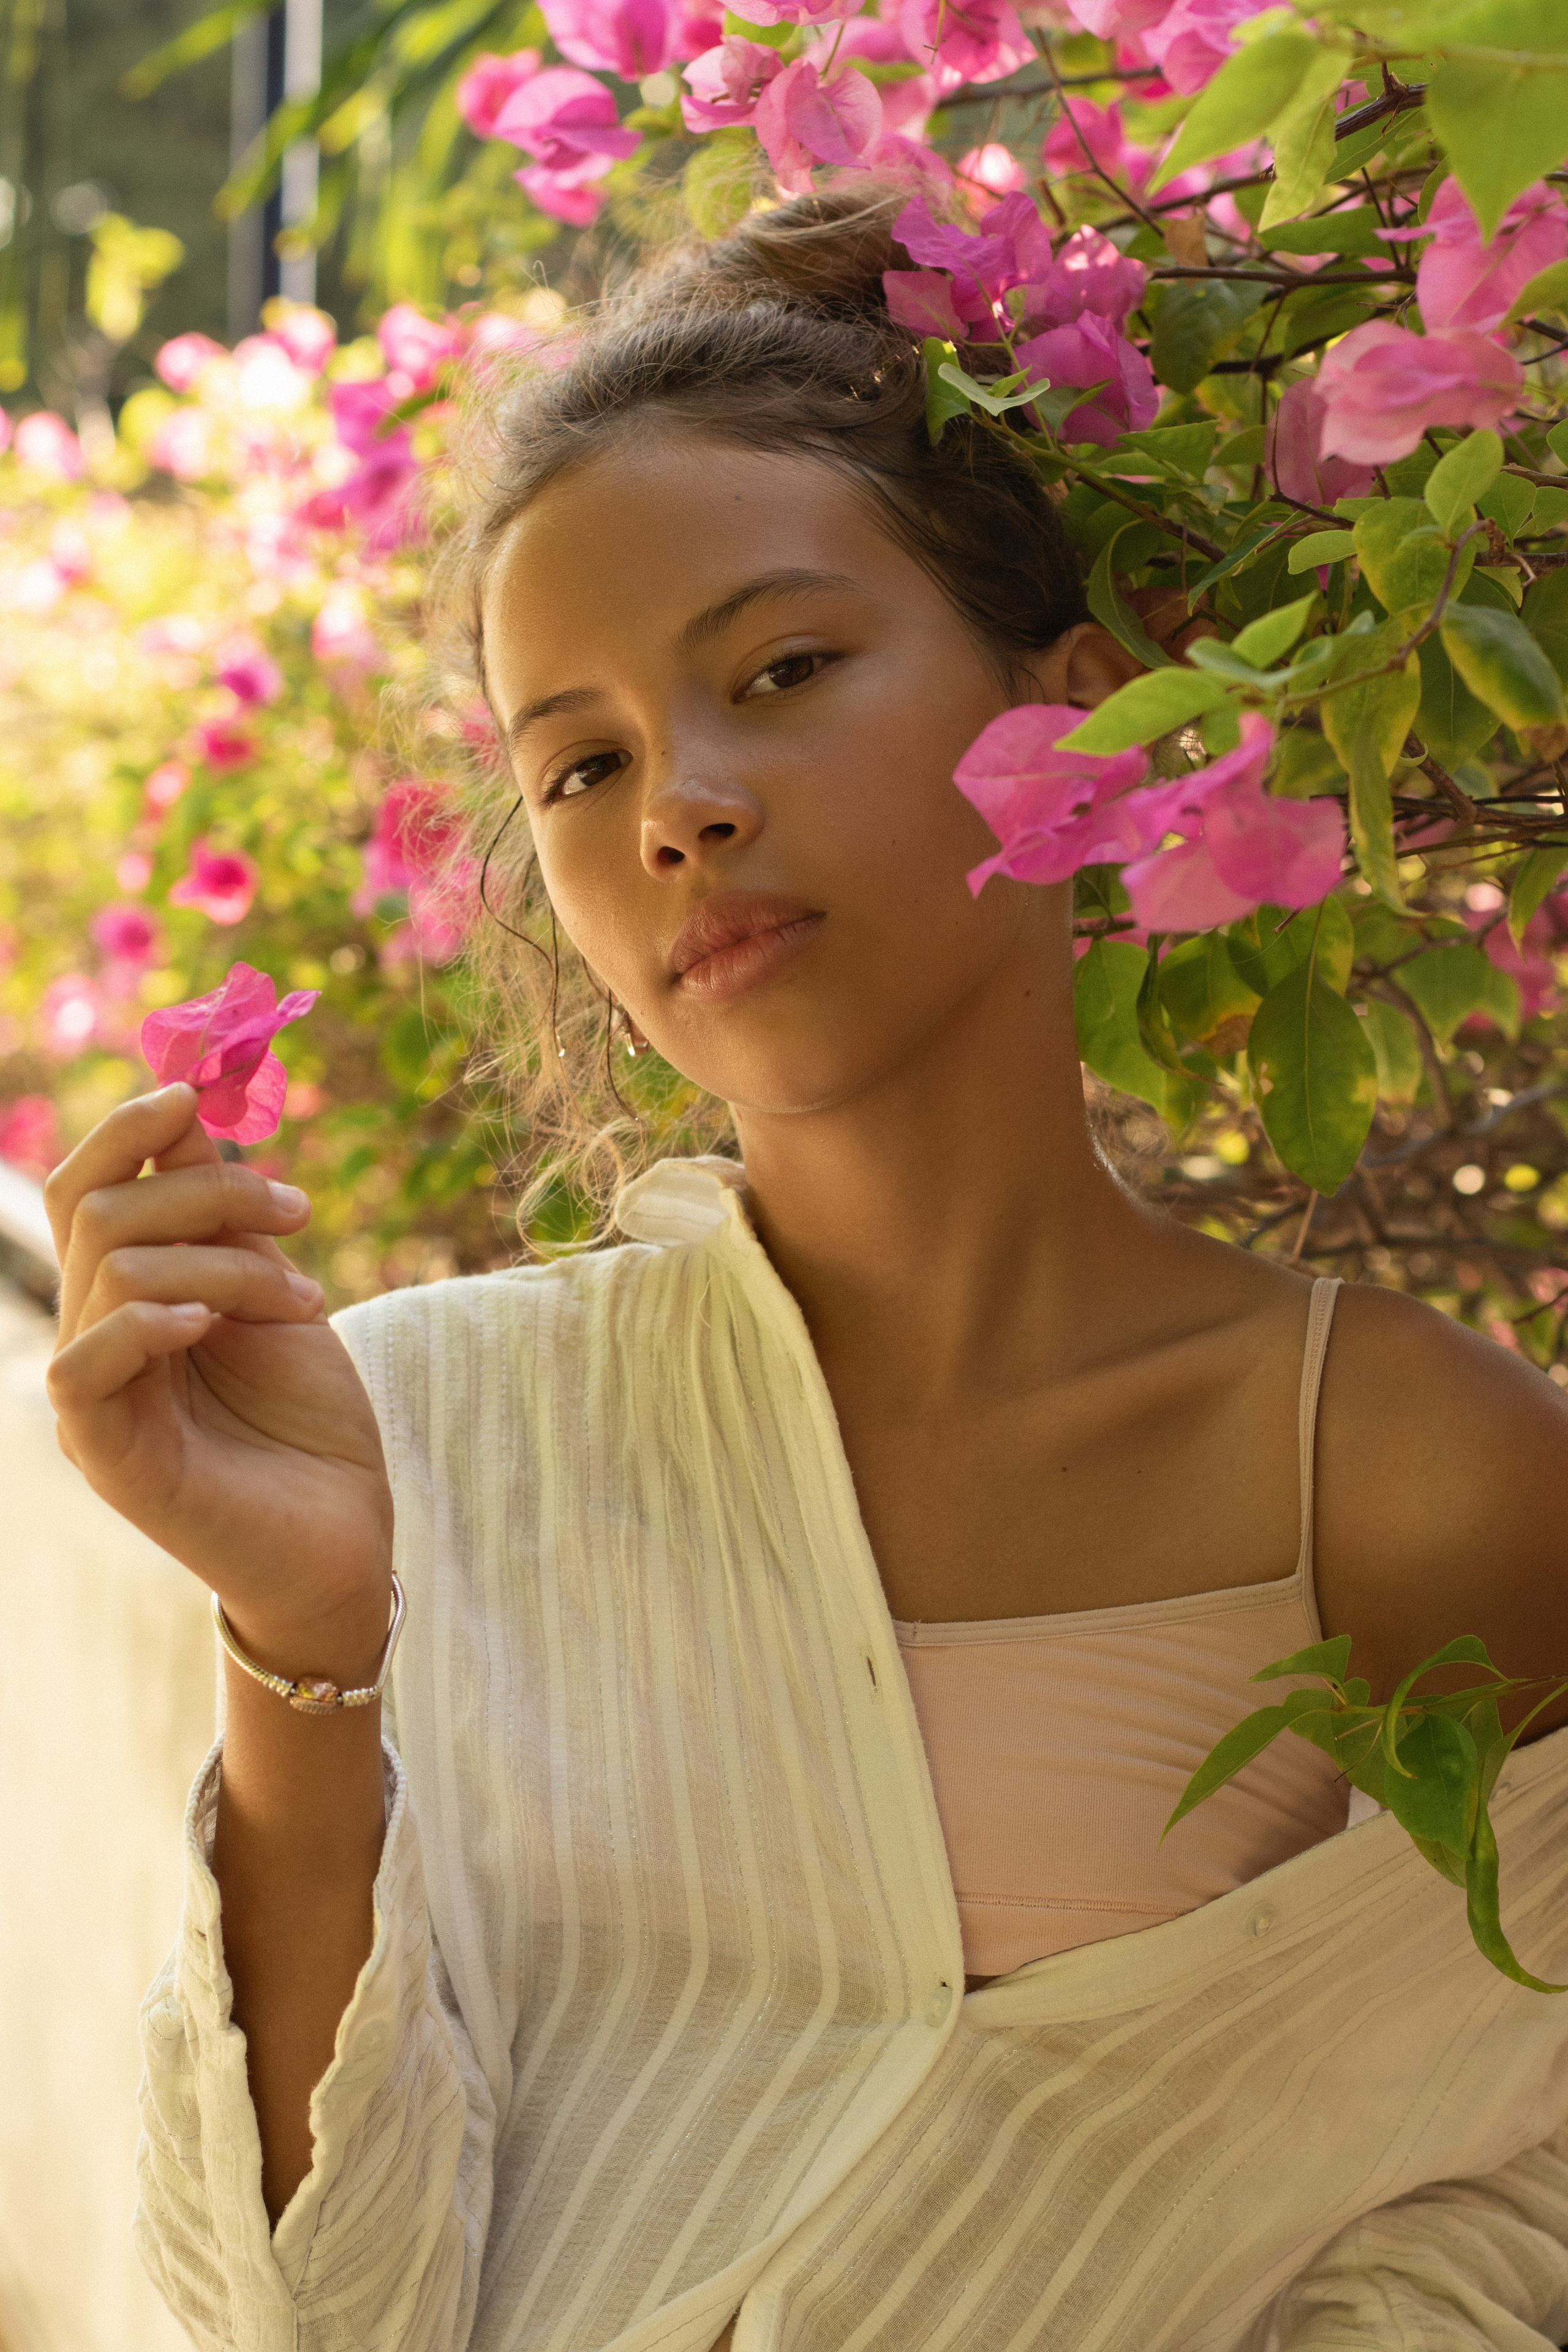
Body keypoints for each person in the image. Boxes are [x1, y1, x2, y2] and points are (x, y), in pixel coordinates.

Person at [45, 189, 1568, 2351]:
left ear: (1086, 716)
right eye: (582, 764)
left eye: (781, 671)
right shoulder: (420, 1446)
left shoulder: (1415, 1474)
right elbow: (301, 2315)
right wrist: (308, 1641)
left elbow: (1518, 2197)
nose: (680, 810)